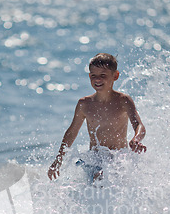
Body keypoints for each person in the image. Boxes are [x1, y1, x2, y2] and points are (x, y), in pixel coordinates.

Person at [48, 53, 146, 181]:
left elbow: (139, 125)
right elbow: (72, 132)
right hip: (95, 159)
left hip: (119, 158)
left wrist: (136, 139)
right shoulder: (84, 104)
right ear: (89, 76)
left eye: (103, 76)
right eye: (93, 76)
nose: (97, 80)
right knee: (92, 182)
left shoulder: (123, 101)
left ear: (115, 76)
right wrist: (58, 159)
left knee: (101, 179)